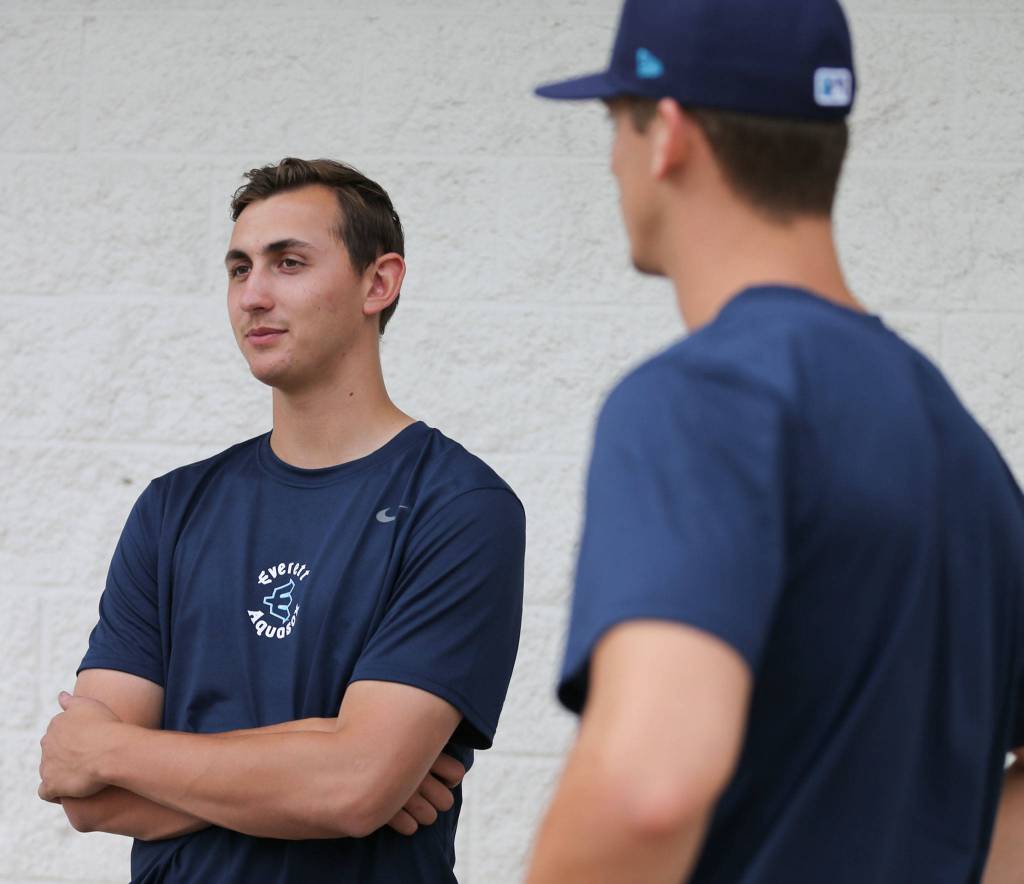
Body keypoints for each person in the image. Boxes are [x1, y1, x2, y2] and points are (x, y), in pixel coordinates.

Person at [525, 1, 1024, 882]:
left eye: (615, 124)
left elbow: (648, 788)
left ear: (667, 135)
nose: (611, 161)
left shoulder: (703, 399)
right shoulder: (963, 446)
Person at [36, 158, 526, 884]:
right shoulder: (173, 508)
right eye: (238, 270)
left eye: (288, 263)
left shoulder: (458, 506)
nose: (253, 295)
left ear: (378, 282)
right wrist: (320, 766)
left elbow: (353, 788)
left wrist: (118, 750)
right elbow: (84, 791)